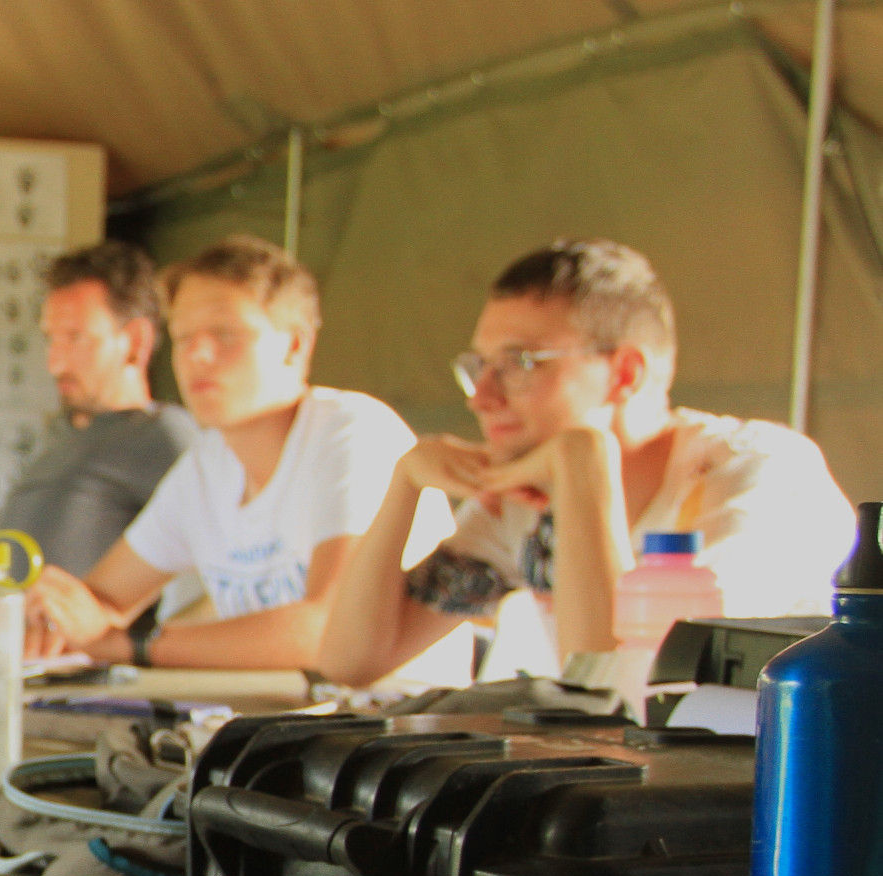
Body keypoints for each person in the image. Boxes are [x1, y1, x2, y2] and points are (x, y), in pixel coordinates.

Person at [318, 239, 856, 688]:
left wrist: (585, 462)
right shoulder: (529, 499)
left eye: (519, 364)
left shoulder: (759, 476)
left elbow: (632, 687)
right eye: (479, 367)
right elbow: (353, 662)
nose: (480, 396)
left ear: (623, 375)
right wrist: (405, 482)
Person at [25, 236, 453, 670]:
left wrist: (131, 645)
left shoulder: (352, 433)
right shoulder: (208, 463)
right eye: (183, 337)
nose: (197, 354)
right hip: (269, 726)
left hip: (396, 725)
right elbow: (100, 603)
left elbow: (329, 630)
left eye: (226, 334)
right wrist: (51, 609)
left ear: (295, 345)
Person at [0, 241, 197, 575]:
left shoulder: (166, 437)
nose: (55, 363)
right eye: (51, 339)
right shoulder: (58, 436)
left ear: (135, 341)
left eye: (76, 338)